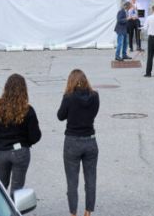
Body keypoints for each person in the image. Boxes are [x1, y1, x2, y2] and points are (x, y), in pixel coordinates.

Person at [0, 74, 42, 197]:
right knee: (17, 189)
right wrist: (26, 141)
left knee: (1, 185)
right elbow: (35, 135)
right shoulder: (27, 109)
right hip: (21, 151)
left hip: (2, 150)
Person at [57, 70, 99, 216]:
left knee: (72, 181)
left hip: (72, 141)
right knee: (91, 179)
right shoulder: (95, 96)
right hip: (90, 140)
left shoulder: (69, 97)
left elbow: (60, 116)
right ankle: (88, 211)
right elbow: (94, 113)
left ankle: (73, 213)